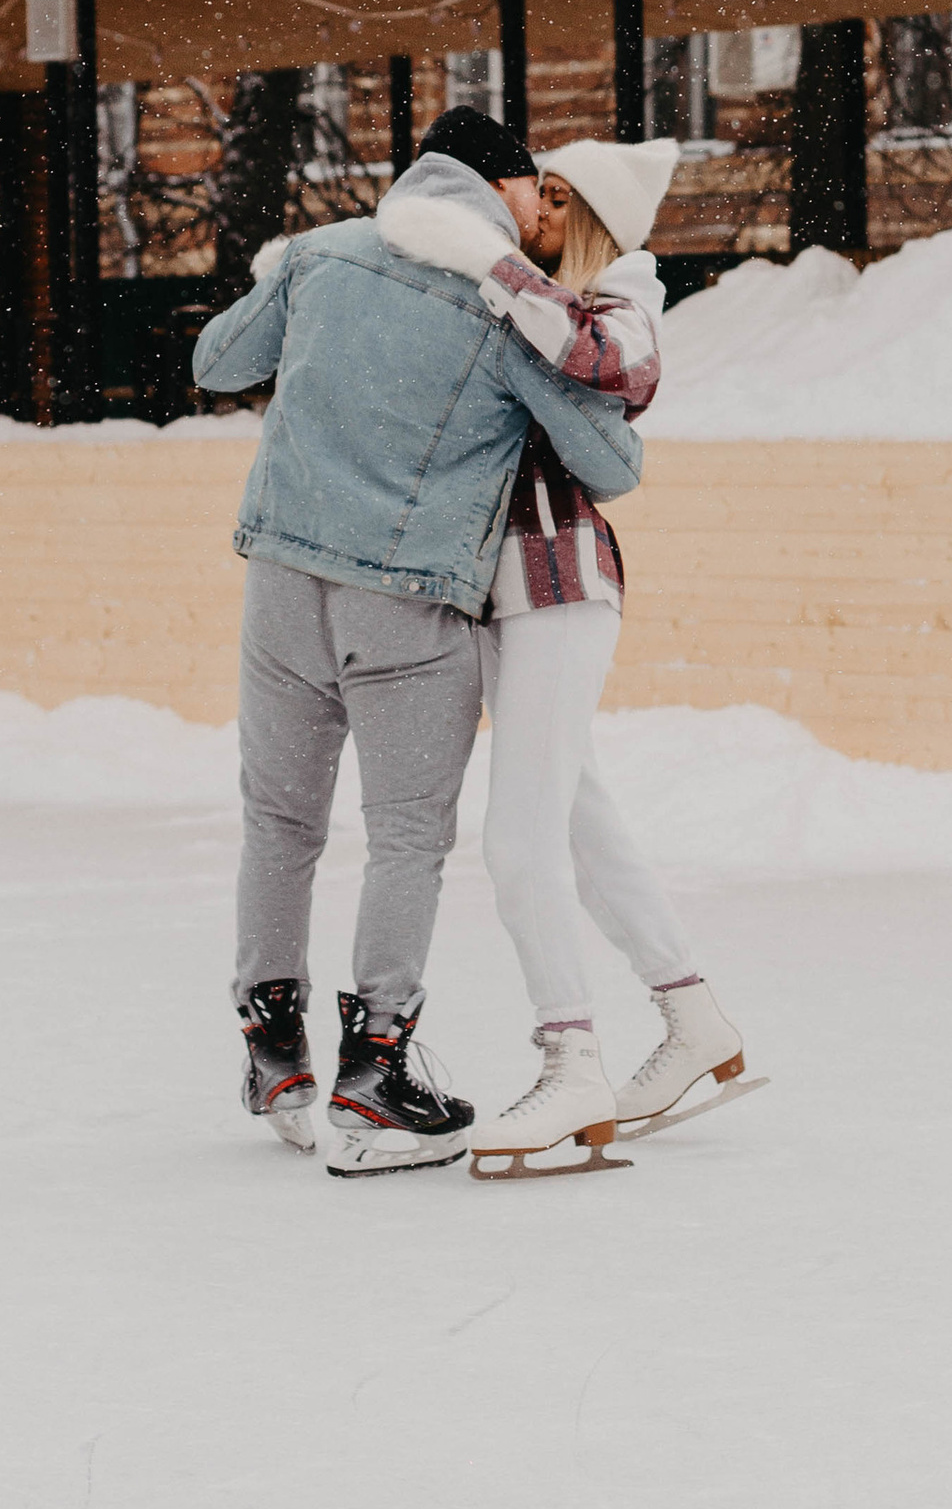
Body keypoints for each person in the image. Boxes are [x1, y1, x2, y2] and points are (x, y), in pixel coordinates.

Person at [188, 107, 643, 1177]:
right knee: (403, 838)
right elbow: (609, 462)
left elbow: (217, 363)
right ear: (503, 186)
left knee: (280, 821)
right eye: (538, 193)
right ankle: (375, 1066)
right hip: (403, 598)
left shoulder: (323, 253)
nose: (545, 213)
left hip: (283, 581)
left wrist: (305, 306)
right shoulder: (497, 297)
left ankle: (273, 1050)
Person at [375, 133, 746, 1164]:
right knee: (581, 821)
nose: (528, 210)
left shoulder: (620, 288)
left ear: (580, 213)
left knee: (517, 838)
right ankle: (691, 1014)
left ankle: (570, 1060)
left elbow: (616, 368)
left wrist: (478, 261)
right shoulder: (520, 301)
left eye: (547, 196)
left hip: (559, 582)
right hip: (501, 594)